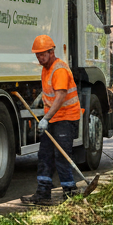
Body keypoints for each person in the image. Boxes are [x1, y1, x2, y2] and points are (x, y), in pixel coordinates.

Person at [23, 34, 82, 205]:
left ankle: (69, 193)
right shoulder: (45, 69)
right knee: (44, 155)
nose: (39, 58)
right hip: (53, 119)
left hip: (66, 118)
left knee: (62, 155)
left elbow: (61, 95)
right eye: (37, 55)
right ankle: (43, 193)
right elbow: (49, 95)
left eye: (42, 54)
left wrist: (46, 118)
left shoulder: (59, 69)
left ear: (51, 51)